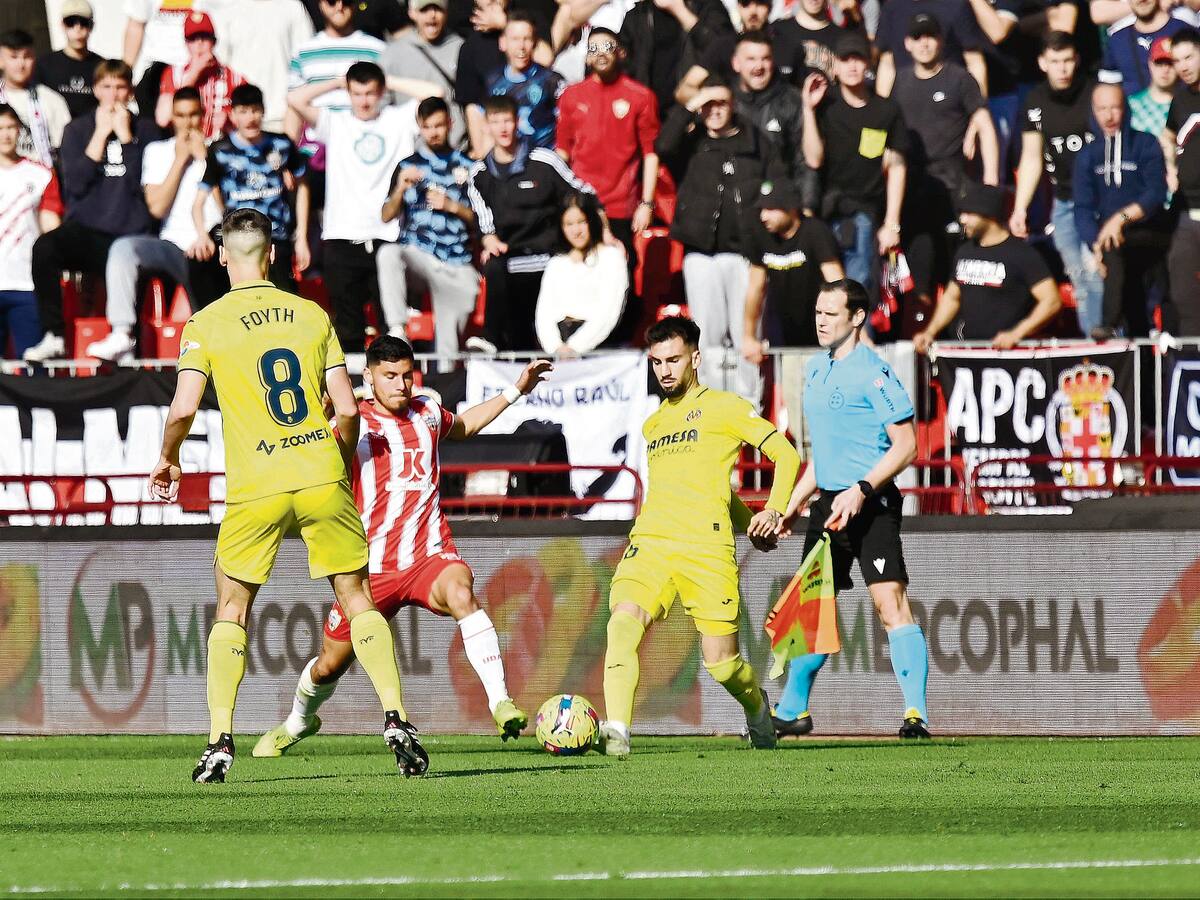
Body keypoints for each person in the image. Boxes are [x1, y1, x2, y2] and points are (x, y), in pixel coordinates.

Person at [149, 208, 425, 783]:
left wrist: (169, 458)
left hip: (256, 486)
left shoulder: (205, 323)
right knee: (357, 601)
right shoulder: (311, 314)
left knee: (232, 607)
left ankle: (220, 741)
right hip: (321, 472)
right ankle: (397, 720)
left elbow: (181, 409)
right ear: (273, 255)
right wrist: (340, 461)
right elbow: (347, 409)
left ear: (223, 255)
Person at [252, 336, 551, 757]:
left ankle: (500, 701)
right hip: (369, 570)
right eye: (390, 376)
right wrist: (320, 423)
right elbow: (318, 458)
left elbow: (463, 426)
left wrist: (517, 389)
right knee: (328, 664)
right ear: (368, 377)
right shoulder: (353, 423)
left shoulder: (428, 412)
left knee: (462, 593)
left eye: (406, 375)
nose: (401, 385)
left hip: (428, 555)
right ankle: (298, 721)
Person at [599, 315, 801, 757]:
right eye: (656, 363)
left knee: (723, 665)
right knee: (621, 625)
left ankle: (757, 709)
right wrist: (749, 517)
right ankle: (617, 731)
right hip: (651, 542)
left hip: (705, 551)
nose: (664, 370)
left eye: (673, 360)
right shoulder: (654, 424)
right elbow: (699, 484)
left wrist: (769, 511)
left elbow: (786, 455)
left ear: (695, 358)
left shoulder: (726, 407)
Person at [770, 278, 927, 740]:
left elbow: (907, 446)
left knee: (888, 603)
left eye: (830, 313)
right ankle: (793, 712)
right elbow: (825, 455)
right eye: (817, 311)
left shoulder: (874, 373)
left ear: (857, 317)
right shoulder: (815, 371)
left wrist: (861, 488)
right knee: (809, 613)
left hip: (871, 505)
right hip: (828, 506)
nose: (820, 320)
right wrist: (794, 504)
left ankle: (915, 714)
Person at [657, 80, 785, 406]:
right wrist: (693, 103)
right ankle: (711, 405)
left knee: (746, 335)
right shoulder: (691, 142)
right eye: (708, 105)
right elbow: (662, 146)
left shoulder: (754, 140)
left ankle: (750, 410)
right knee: (708, 337)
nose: (714, 110)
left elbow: (776, 180)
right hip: (701, 252)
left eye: (721, 103)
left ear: (733, 106)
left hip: (744, 253)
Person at [25, 61, 160, 364]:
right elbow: (75, 185)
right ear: (97, 90)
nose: (113, 95)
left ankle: (129, 353)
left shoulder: (147, 130)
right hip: (87, 230)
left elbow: (145, 185)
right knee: (45, 248)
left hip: (131, 232)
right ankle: (54, 335)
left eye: (120, 87)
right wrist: (100, 135)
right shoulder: (77, 129)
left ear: (130, 91)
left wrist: (127, 140)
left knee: (126, 269)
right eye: (107, 87)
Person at [288, 62, 420, 355]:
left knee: (391, 325)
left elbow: (435, 93)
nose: (364, 101)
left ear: (381, 92)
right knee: (348, 326)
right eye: (357, 93)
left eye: (371, 93)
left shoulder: (398, 119)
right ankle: (353, 394)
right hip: (341, 236)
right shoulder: (335, 123)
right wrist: (337, 82)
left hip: (386, 237)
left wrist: (390, 80)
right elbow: (294, 99)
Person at [89, 87, 224, 362]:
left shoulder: (219, 151)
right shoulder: (157, 151)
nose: (187, 123)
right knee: (124, 248)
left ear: (203, 116)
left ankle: (213, 351)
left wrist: (204, 161)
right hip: (171, 245)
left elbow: (226, 209)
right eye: (181, 116)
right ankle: (122, 333)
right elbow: (157, 206)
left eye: (193, 115)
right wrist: (180, 160)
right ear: (172, 118)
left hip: (213, 243)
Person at [466, 94, 597, 352]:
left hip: (552, 256)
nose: (503, 128)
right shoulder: (478, 174)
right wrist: (488, 238)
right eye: (496, 121)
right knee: (494, 266)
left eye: (508, 120)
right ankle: (491, 340)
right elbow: (485, 225)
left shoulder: (544, 161)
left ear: (517, 122)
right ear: (487, 126)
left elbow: (584, 192)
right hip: (510, 259)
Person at [891, 13, 998, 321]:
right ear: (907, 44)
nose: (924, 43)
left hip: (954, 187)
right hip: (913, 188)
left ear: (940, 41)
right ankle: (921, 331)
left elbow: (984, 124)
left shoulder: (959, 78)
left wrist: (989, 179)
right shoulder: (901, 80)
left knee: (956, 266)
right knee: (920, 265)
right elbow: (888, 129)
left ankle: (958, 333)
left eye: (930, 36)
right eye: (917, 37)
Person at [740, 179, 843, 457]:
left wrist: (850, 332)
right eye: (761, 209)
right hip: (789, 346)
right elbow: (755, 288)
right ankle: (813, 484)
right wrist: (749, 335)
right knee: (799, 420)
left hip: (822, 344)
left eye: (772, 209)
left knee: (825, 418)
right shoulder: (761, 236)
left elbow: (837, 282)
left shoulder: (815, 232)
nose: (764, 216)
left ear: (791, 209)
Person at [807, 33, 908, 312]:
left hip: (864, 213)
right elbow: (813, 159)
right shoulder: (824, 106)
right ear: (834, 66)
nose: (852, 66)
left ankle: (858, 349)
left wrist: (892, 223)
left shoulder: (885, 110)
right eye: (845, 59)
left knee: (859, 285)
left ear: (868, 65)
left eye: (858, 59)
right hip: (823, 214)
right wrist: (807, 109)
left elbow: (898, 167)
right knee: (824, 292)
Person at [1010, 32, 1102, 337]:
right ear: (1042, 63)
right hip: (1063, 203)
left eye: (1067, 61)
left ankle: (1104, 343)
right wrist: (1020, 208)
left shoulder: (1094, 94)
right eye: (1054, 62)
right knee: (1079, 277)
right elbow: (1032, 158)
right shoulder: (1034, 102)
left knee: (1097, 274)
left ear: (1076, 60)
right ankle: (1094, 343)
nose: (1062, 69)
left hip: (1100, 202)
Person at [555, 28, 659, 287]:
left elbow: (650, 154)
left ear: (620, 52)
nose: (600, 53)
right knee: (581, 276)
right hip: (582, 203)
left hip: (621, 204)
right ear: (587, 57)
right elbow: (562, 152)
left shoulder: (641, 96)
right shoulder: (571, 96)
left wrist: (647, 203)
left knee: (621, 274)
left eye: (607, 47)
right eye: (593, 48)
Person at [378, 97, 479, 362]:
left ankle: (444, 390)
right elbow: (386, 215)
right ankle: (398, 328)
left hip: (456, 261)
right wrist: (400, 189)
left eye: (439, 125)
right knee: (388, 253)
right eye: (427, 127)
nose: (433, 133)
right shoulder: (407, 166)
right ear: (419, 127)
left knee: (448, 355)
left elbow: (482, 220)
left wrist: (452, 206)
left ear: (450, 124)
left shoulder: (468, 166)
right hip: (419, 255)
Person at [913, 182, 1061, 350]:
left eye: (969, 213)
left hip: (1009, 356)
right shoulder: (965, 251)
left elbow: (1051, 301)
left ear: (989, 215)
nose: (962, 219)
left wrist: (1017, 334)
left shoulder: (1022, 254)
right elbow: (952, 297)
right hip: (968, 354)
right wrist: (930, 332)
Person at [1073, 83, 1170, 339]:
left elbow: (1156, 193)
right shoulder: (1088, 155)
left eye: (1115, 108)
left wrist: (1121, 218)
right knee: (1111, 252)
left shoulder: (1145, 144)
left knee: (1159, 293)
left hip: (1149, 231)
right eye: (1102, 109)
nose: (1109, 116)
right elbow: (1082, 207)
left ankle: (1109, 321)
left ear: (1125, 109)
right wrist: (1094, 244)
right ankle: (1114, 330)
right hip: (1112, 241)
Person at [198, 84, 311, 292]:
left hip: (275, 237)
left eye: (255, 110)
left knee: (282, 299)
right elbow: (200, 198)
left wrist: (302, 237)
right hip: (237, 238)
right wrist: (201, 234)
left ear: (263, 111)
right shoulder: (220, 150)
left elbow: (303, 185)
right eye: (243, 111)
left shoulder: (281, 144)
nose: (250, 118)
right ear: (232, 114)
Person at [0, 105, 63, 360]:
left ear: (19, 130)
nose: (5, 134)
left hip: (27, 284)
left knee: (32, 372)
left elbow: (52, 229)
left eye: (10, 128)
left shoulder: (40, 174)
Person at [535, 193, 628, 356]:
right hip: (558, 347)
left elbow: (608, 312)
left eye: (581, 222)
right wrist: (556, 348)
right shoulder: (556, 264)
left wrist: (575, 348)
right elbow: (544, 314)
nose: (576, 231)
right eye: (569, 224)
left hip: (598, 346)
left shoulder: (611, 258)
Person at [212, 0, 315, 132]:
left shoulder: (292, 7)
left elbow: (307, 63)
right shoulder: (227, 10)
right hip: (239, 122)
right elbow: (220, 68)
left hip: (281, 118)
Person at [618, 0, 736, 116]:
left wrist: (680, 10)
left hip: (696, 111)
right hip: (650, 114)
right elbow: (624, 67)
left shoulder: (708, 7)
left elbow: (723, 52)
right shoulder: (638, 15)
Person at [381, 0, 466, 148]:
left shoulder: (461, 48)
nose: (432, 15)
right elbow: (381, 106)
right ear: (412, 13)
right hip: (411, 155)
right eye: (424, 10)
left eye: (437, 9)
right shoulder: (393, 53)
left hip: (457, 151)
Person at [154, 12, 247, 142]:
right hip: (186, 145)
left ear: (214, 42)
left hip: (222, 147)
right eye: (193, 39)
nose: (199, 43)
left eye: (204, 37)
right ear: (186, 44)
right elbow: (162, 119)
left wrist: (230, 120)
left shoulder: (235, 78)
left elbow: (249, 118)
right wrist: (193, 73)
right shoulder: (173, 74)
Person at [873, 0, 987, 97]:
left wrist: (978, 108)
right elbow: (887, 64)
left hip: (951, 104)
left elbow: (974, 61)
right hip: (906, 103)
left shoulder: (956, 5)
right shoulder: (891, 8)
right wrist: (884, 111)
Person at [486, 12, 565, 150]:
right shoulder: (492, 81)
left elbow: (568, 123)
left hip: (545, 162)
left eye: (527, 39)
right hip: (509, 164)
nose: (521, 46)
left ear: (534, 42)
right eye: (515, 39)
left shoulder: (551, 80)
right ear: (503, 43)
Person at [1165, 27, 1200, 335]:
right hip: (1187, 212)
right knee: (1184, 295)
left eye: (1189, 57)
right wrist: (1170, 166)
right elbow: (1169, 135)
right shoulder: (1180, 100)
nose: (1183, 66)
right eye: (1177, 61)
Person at [0, 29, 72, 168]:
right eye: (14, 57)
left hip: (42, 181)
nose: (21, 64)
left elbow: (66, 150)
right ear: (1, 61)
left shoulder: (52, 100)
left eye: (27, 57)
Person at [673, 0, 773, 95]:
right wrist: (714, 101)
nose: (753, 12)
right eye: (746, 3)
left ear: (770, 7)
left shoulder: (783, 42)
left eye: (760, 3)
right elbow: (686, 88)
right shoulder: (724, 45)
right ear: (738, 7)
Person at [1098, 0, 1193, 93]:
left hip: (1184, 106)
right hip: (1132, 107)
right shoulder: (1117, 40)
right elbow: (1108, 92)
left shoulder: (1186, 32)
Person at [35, 0, 104, 119]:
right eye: (70, 22)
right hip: (57, 133)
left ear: (91, 26)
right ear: (62, 25)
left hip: (95, 131)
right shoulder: (44, 65)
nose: (77, 28)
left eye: (83, 22)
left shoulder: (102, 66)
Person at [1129, 36, 1178, 137]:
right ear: (1150, 64)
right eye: (1159, 63)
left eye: (1171, 63)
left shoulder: (1185, 105)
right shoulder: (1131, 105)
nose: (1165, 70)